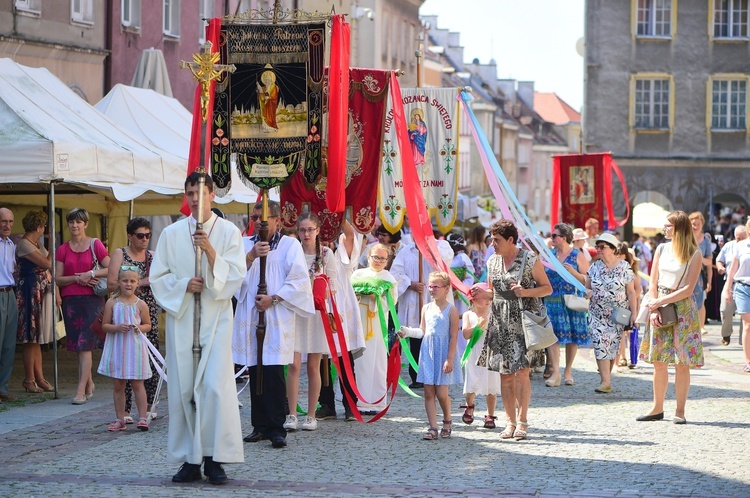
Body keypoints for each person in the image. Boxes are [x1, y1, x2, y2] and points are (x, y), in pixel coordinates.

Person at [151, 172, 247, 484]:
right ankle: (190, 460)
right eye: (191, 193)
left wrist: (209, 251)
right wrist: (183, 285)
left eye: (201, 193)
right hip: (184, 322)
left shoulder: (229, 232)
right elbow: (158, 277)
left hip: (216, 320)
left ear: (213, 195)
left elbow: (233, 278)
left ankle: (214, 457)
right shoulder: (171, 234)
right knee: (183, 389)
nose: (196, 199)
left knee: (215, 390)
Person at [232, 200, 314, 449]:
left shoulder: (289, 245)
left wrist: (274, 298)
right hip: (251, 313)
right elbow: (233, 276)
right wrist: (251, 257)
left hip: (276, 314)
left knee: (273, 371)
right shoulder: (245, 245)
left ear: (278, 220)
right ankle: (259, 425)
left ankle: (277, 427)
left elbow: (299, 279)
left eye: (264, 217)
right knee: (255, 369)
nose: (259, 221)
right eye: (255, 217)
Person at [472, 219, 552, 440]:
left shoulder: (529, 260)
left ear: (510, 240)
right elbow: (493, 292)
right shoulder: (493, 262)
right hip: (500, 321)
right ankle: (509, 422)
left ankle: (523, 421)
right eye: (491, 240)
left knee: (522, 373)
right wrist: (481, 295)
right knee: (505, 376)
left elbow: (547, 288)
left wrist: (524, 292)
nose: (492, 244)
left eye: (496, 240)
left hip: (523, 322)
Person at [638, 211, 703, 424]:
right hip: (660, 304)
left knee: (681, 362)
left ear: (679, 228)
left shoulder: (694, 253)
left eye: (668, 225)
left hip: (682, 310)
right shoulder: (661, 249)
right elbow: (653, 281)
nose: (664, 228)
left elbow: (688, 289)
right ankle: (657, 408)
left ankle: (680, 410)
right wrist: (655, 306)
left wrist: (660, 302)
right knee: (658, 361)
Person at [284, 213, 336, 431]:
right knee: (294, 364)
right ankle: (292, 414)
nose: (306, 234)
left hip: (316, 313)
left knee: (314, 366)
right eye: (302, 230)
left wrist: (320, 291)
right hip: (295, 312)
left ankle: (312, 415)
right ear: (297, 231)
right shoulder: (291, 251)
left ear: (317, 231)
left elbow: (334, 284)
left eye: (310, 230)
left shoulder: (326, 254)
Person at [107, 218, 161, 422]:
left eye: (148, 235)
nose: (144, 239)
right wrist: (139, 283)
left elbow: (163, 280)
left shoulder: (153, 256)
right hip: (123, 312)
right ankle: (126, 410)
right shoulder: (120, 253)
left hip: (146, 311)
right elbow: (111, 282)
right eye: (140, 235)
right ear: (130, 236)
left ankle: (148, 406)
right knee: (124, 358)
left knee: (149, 356)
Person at [54, 208, 109, 405]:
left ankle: (80, 391)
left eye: (78, 222)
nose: (74, 226)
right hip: (71, 302)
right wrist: (79, 277)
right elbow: (58, 279)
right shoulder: (62, 249)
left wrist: (92, 274)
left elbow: (111, 267)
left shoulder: (95, 244)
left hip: (92, 301)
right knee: (79, 346)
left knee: (85, 345)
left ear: (85, 224)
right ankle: (89, 383)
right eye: (71, 222)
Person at [399, 271, 460, 440]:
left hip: (443, 354)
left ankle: (447, 419)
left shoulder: (451, 310)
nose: (432, 289)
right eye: (430, 286)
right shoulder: (426, 308)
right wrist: (408, 332)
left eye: (436, 286)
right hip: (428, 353)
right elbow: (422, 331)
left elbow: (454, 335)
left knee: (441, 393)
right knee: (428, 392)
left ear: (446, 289)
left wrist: (449, 358)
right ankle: (433, 426)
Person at [315, 220, 366, 421]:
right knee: (320, 358)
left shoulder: (342, 255)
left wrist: (335, 215)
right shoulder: (314, 255)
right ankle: (326, 404)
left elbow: (351, 234)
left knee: (345, 358)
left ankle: (350, 404)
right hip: (320, 305)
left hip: (341, 308)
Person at [390, 235, 454, 388]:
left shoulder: (441, 246)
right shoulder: (406, 251)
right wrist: (410, 283)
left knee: (436, 336)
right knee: (416, 338)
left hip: (433, 299)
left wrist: (430, 249)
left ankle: (438, 373)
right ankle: (417, 375)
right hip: (413, 299)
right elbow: (395, 273)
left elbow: (445, 263)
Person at [98, 265, 152, 432]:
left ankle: (143, 417)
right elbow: (105, 325)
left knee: (137, 383)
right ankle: (119, 418)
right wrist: (116, 328)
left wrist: (139, 328)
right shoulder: (112, 303)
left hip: (135, 348)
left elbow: (148, 325)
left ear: (137, 284)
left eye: (132, 281)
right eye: (125, 281)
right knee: (118, 384)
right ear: (119, 282)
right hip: (118, 348)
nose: (128, 284)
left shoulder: (141, 304)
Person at [584, 233, 638, 394]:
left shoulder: (624, 267)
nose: (599, 250)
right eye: (597, 247)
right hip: (596, 313)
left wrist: (634, 313)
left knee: (612, 347)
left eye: (602, 247)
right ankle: (605, 381)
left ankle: (606, 378)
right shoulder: (594, 266)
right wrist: (587, 292)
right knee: (600, 343)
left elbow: (631, 292)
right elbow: (587, 287)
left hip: (617, 315)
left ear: (613, 249)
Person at [351, 243, 398, 413]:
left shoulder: (388, 278)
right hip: (358, 322)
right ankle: (357, 400)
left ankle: (376, 401)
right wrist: (358, 294)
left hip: (377, 323)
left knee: (377, 362)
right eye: (375, 257)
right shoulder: (357, 274)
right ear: (368, 257)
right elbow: (348, 295)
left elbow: (392, 302)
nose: (378, 261)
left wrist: (376, 297)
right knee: (359, 362)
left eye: (382, 258)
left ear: (387, 261)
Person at [544, 223, 590, 387]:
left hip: (571, 300)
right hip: (552, 301)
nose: (552, 238)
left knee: (573, 337)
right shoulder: (549, 255)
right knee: (552, 336)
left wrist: (573, 273)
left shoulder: (577, 255)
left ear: (564, 238)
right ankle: (556, 372)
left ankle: (568, 370)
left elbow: (587, 280)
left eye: (554, 235)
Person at [15, 211, 55, 393]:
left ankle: (39, 377)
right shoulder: (24, 244)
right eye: (43, 226)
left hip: (38, 292)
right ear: (38, 227)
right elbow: (47, 264)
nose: (44, 229)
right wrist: (53, 247)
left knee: (36, 338)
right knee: (30, 338)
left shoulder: (35, 243)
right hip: (29, 292)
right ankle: (29, 379)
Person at [458, 282, 500, 429]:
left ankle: (490, 414)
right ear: (473, 299)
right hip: (475, 353)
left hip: (491, 353)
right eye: (484, 297)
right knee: (471, 386)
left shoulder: (494, 313)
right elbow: (465, 334)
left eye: (490, 297)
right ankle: (470, 405)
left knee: (491, 387)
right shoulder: (469, 315)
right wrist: (477, 326)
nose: (488, 300)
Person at [716, 225, 747, 346]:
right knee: (725, 310)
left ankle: (744, 341)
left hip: (744, 284)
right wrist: (720, 267)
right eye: (737, 238)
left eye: (742, 238)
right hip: (730, 282)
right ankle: (726, 334)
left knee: (745, 313)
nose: (739, 240)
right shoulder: (729, 246)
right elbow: (719, 260)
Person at [0, 207, 18, 402]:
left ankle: (3, 387)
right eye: (4, 221)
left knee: (8, 343)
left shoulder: (11, 244)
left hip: (9, 293)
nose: (7, 225)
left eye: (10, 222)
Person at [689, 212, 712, 335]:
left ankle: (701, 326)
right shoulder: (685, 237)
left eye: (698, 224)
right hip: (685, 273)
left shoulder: (705, 240)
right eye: (693, 224)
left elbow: (709, 262)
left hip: (699, 275)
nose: (695, 226)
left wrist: (709, 282)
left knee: (700, 301)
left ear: (702, 224)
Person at [447, 233, 475, 317]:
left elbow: (470, 278)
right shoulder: (449, 257)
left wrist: (458, 288)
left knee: (460, 317)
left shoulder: (463, 258)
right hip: (449, 292)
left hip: (460, 295)